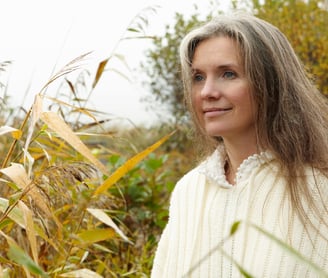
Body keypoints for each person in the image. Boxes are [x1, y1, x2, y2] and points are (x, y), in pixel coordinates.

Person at [151, 12, 328, 278]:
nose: (207, 91)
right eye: (198, 77)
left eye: (228, 74)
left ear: (270, 84)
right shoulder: (188, 192)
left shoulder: (318, 189)